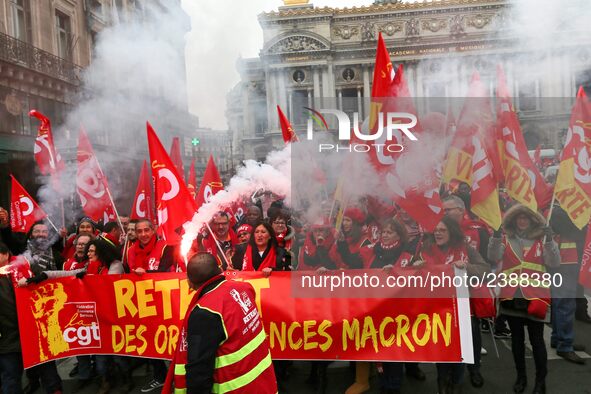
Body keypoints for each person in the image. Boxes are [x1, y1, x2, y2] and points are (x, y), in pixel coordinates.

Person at [163, 252, 277, 393]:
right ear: (220, 270)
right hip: (263, 382)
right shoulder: (244, 288)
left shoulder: (205, 313)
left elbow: (199, 371)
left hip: (234, 388)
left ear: (190, 282)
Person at [488, 204, 560, 394]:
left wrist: (551, 241)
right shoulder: (505, 238)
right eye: (518, 218)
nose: (522, 221)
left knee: (537, 341)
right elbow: (493, 257)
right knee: (517, 340)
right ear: (513, 220)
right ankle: (521, 377)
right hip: (511, 296)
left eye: (525, 218)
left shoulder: (542, 239)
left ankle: (540, 381)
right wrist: (495, 237)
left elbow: (554, 262)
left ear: (532, 220)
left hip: (536, 297)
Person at [415, 216, 489, 394]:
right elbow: (412, 275)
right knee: (442, 348)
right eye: (436, 230)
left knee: (460, 348)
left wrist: (467, 267)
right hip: (436, 309)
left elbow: (485, 270)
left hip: (461, 308)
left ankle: (457, 383)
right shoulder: (426, 249)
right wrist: (416, 266)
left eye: (443, 230)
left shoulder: (465, 249)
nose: (438, 233)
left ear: (452, 231)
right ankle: (442, 381)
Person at [359, 219, 425, 394]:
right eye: (383, 232)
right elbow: (353, 266)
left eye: (390, 232)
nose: (385, 235)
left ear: (399, 235)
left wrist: (415, 267)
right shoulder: (372, 251)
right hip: (376, 309)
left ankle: (393, 386)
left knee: (395, 351)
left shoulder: (407, 254)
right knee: (379, 350)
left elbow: (418, 280)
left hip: (399, 312)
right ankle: (383, 383)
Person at [126, 219, 179, 391]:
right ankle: (160, 375)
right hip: (142, 303)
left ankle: (178, 376)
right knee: (149, 340)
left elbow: (164, 272)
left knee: (173, 339)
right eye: (139, 231)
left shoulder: (166, 247)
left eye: (146, 230)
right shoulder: (130, 251)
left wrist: (145, 274)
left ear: (154, 229)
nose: (143, 235)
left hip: (165, 301)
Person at [549, 205, 586, 364]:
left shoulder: (559, 207)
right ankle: (565, 344)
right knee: (565, 303)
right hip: (565, 260)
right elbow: (574, 228)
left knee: (560, 301)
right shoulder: (559, 210)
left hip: (567, 259)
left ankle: (558, 338)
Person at [0, 242, 24, 394]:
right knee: (11, 377)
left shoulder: (19, 273)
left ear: (6, 255)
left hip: (18, 335)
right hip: (6, 339)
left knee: (13, 376)